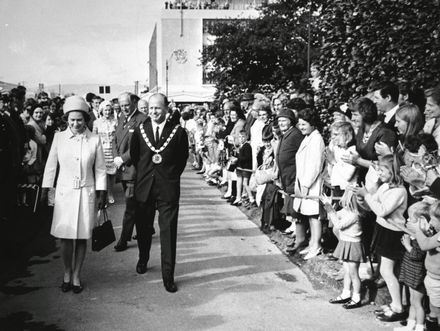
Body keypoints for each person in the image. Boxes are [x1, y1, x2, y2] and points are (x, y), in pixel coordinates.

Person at [41, 95, 107, 294]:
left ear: (85, 119)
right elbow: (51, 166)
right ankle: (67, 272)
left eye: (79, 120)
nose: (76, 124)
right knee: (65, 237)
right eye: (72, 120)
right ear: (66, 120)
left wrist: (102, 192)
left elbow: (101, 169)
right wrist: (46, 189)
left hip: (86, 193)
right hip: (65, 194)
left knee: (81, 238)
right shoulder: (59, 138)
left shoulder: (94, 139)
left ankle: (77, 274)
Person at [130, 93, 189, 293]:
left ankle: (168, 276)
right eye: (151, 108)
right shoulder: (140, 130)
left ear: (166, 109)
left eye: (158, 108)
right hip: (144, 188)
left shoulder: (178, 132)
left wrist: (169, 178)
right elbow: (136, 156)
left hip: (168, 189)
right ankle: (143, 258)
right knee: (144, 229)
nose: (154, 112)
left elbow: (181, 160)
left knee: (168, 232)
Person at [353, 154, 407, 322]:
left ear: (393, 171)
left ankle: (398, 307)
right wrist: (362, 196)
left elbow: (382, 210)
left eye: (383, 170)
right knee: (388, 270)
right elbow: (371, 205)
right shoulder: (385, 187)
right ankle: (396, 303)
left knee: (386, 270)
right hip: (383, 230)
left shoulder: (399, 191)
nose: (380, 173)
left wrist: (367, 196)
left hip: (392, 234)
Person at [112, 92, 146, 251]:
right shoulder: (121, 118)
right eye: (121, 105)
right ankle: (142, 231)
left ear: (134, 102)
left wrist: (123, 158)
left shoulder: (142, 120)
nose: (124, 108)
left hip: (133, 170)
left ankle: (123, 240)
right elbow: (115, 140)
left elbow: (139, 147)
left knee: (130, 207)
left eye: (126, 104)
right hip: (123, 169)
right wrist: (115, 157)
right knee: (135, 206)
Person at [323, 189, 365, 309]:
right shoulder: (348, 210)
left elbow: (339, 225)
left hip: (353, 245)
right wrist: (328, 206)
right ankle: (346, 293)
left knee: (353, 273)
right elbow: (337, 215)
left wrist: (330, 210)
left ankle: (356, 297)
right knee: (346, 270)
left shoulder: (354, 214)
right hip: (346, 242)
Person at [293, 108, 325, 260]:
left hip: (311, 182)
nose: (301, 127)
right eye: (299, 124)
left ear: (312, 124)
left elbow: (315, 165)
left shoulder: (316, 139)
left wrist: (306, 184)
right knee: (308, 215)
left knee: (314, 215)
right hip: (304, 181)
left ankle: (316, 245)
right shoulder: (308, 137)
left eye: (304, 124)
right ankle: (312, 243)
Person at [398, 202, 429, 331]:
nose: (408, 221)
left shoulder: (423, 238)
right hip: (411, 272)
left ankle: (420, 326)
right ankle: (410, 325)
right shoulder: (416, 235)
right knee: (413, 301)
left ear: (422, 221)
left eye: (412, 219)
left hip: (417, 274)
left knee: (418, 303)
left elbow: (417, 255)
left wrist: (407, 245)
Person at [93, 101, 118, 204]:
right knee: (103, 173)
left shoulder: (115, 121)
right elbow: (94, 137)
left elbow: (118, 136)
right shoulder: (96, 122)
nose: (107, 112)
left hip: (112, 150)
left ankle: (110, 193)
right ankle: (103, 194)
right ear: (101, 111)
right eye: (105, 110)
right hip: (101, 150)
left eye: (109, 110)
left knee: (112, 173)